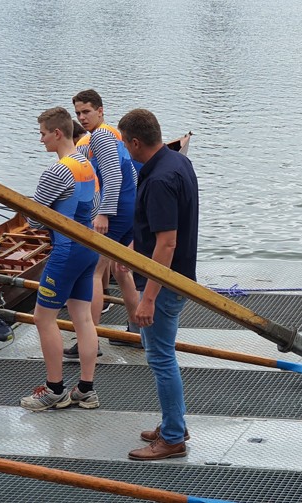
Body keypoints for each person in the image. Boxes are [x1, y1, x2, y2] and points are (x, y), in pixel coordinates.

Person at [118, 109, 199, 461]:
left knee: (161, 357)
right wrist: (133, 248)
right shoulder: (177, 162)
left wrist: (148, 298)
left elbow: (167, 243)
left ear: (136, 142)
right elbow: (160, 228)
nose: (125, 149)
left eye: (125, 143)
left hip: (165, 284)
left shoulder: (158, 181)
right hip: (175, 276)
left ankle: (173, 437)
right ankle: (173, 422)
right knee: (162, 354)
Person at [20, 107, 102, 411]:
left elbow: (34, 221)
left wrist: (32, 210)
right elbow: (94, 207)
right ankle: (86, 390)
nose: (41, 139)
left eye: (43, 133)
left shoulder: (56, 171)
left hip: (66, 251)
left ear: (57, 133)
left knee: (43, 318)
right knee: (83, 318)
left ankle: (54, 390)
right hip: (88, 247)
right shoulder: (86, 164)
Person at [71, 89, 141, 348]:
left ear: (100, 111)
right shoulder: (113, 134)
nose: (82, 118)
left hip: (115, 211)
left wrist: (103, 213)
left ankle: (89, 341)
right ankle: (137, 331)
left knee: (94, 271)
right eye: (78, 113)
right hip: (128, 207)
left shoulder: (99, 136)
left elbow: (113, 176)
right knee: (121, 270)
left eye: (86, 111)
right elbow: (131, 173)